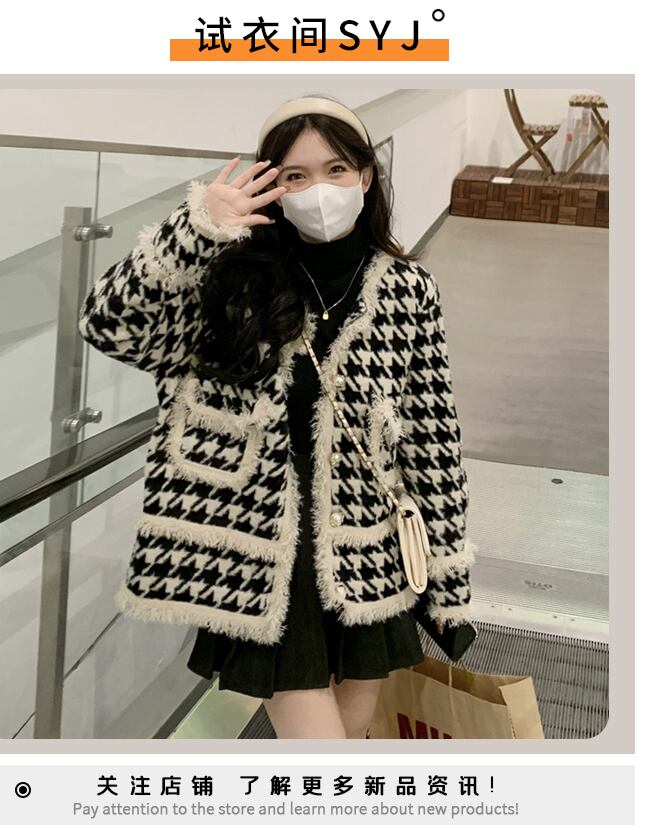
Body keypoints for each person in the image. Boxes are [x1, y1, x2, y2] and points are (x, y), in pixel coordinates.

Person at [78, 94, 476, 740]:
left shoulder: (408, 291)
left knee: (348, 735)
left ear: (365, 176)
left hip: (366, 551)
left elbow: (434, 442)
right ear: (272, 186)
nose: (319, 190)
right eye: (295, 175)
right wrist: (193, 231)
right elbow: (108, 327)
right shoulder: (230, 278)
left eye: (336, 169)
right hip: (263, 558)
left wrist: (450, 584)